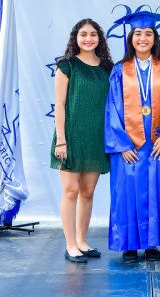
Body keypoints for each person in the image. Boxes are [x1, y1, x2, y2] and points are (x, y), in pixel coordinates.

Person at [105, 11, 160, 263]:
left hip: (158, 144)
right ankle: (128, 244)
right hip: (129, 145)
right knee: (126, 192)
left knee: (157, 191)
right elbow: (112, 108)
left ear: (155, 38)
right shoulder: (119, 70)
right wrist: (122, 144)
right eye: (138, 34)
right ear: (131, 38)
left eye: (148, 34)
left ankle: (151, 244)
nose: (143, 38)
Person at [50, 18, 114, 263]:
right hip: (71, 137)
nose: (88, 38)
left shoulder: (107, 67)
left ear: (100, 39)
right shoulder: (67, 65)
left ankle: (82, 241)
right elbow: (60, 105)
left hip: (96, 138)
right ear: (75, 38)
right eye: (83, 34)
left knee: (87, 192)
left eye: (93, 34)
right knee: (71, 191)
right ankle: (70, 245)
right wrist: (62, 140)